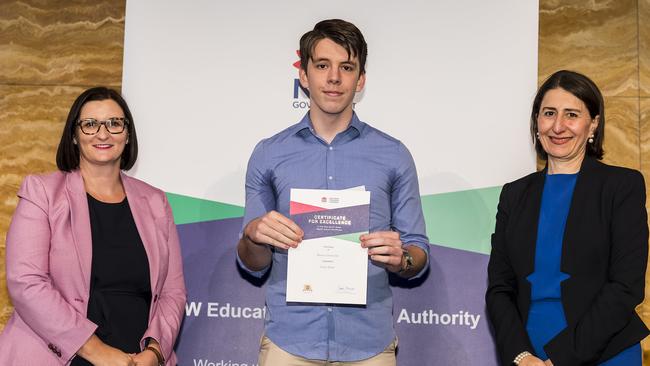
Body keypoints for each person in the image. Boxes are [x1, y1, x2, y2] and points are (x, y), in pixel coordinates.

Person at [236, 19, 430, 365]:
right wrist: (254, 235)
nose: (334, 77)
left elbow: (418, 252)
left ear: (362, 79)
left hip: (369, 344)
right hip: (289, 342)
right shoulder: (268, 154)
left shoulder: (394, 155)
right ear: (304, 76)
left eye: (347, 67)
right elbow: (253, 263)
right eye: (322, 65)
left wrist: (404, 258)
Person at [0, 87, 186, 365]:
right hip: (60, 356)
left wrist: (155, 352)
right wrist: (96, 351)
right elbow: (26, 281)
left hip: (136, 359)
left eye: (114, 123)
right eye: (90, 124)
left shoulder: (156, 202)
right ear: (74, 136)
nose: (103, 133)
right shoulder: (43, 192)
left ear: (127, 134)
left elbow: (173, 292)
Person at [486, 70, 649, 366]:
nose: (558, 126)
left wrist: (559, 359)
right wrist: (522, 357)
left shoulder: (622, 186)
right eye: (549, 113)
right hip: (528, 356)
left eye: (571, 114)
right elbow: (500, 288)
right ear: (537, 122)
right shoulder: (514, 194)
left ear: (593, 125)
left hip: (605, 353)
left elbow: (626, 286)